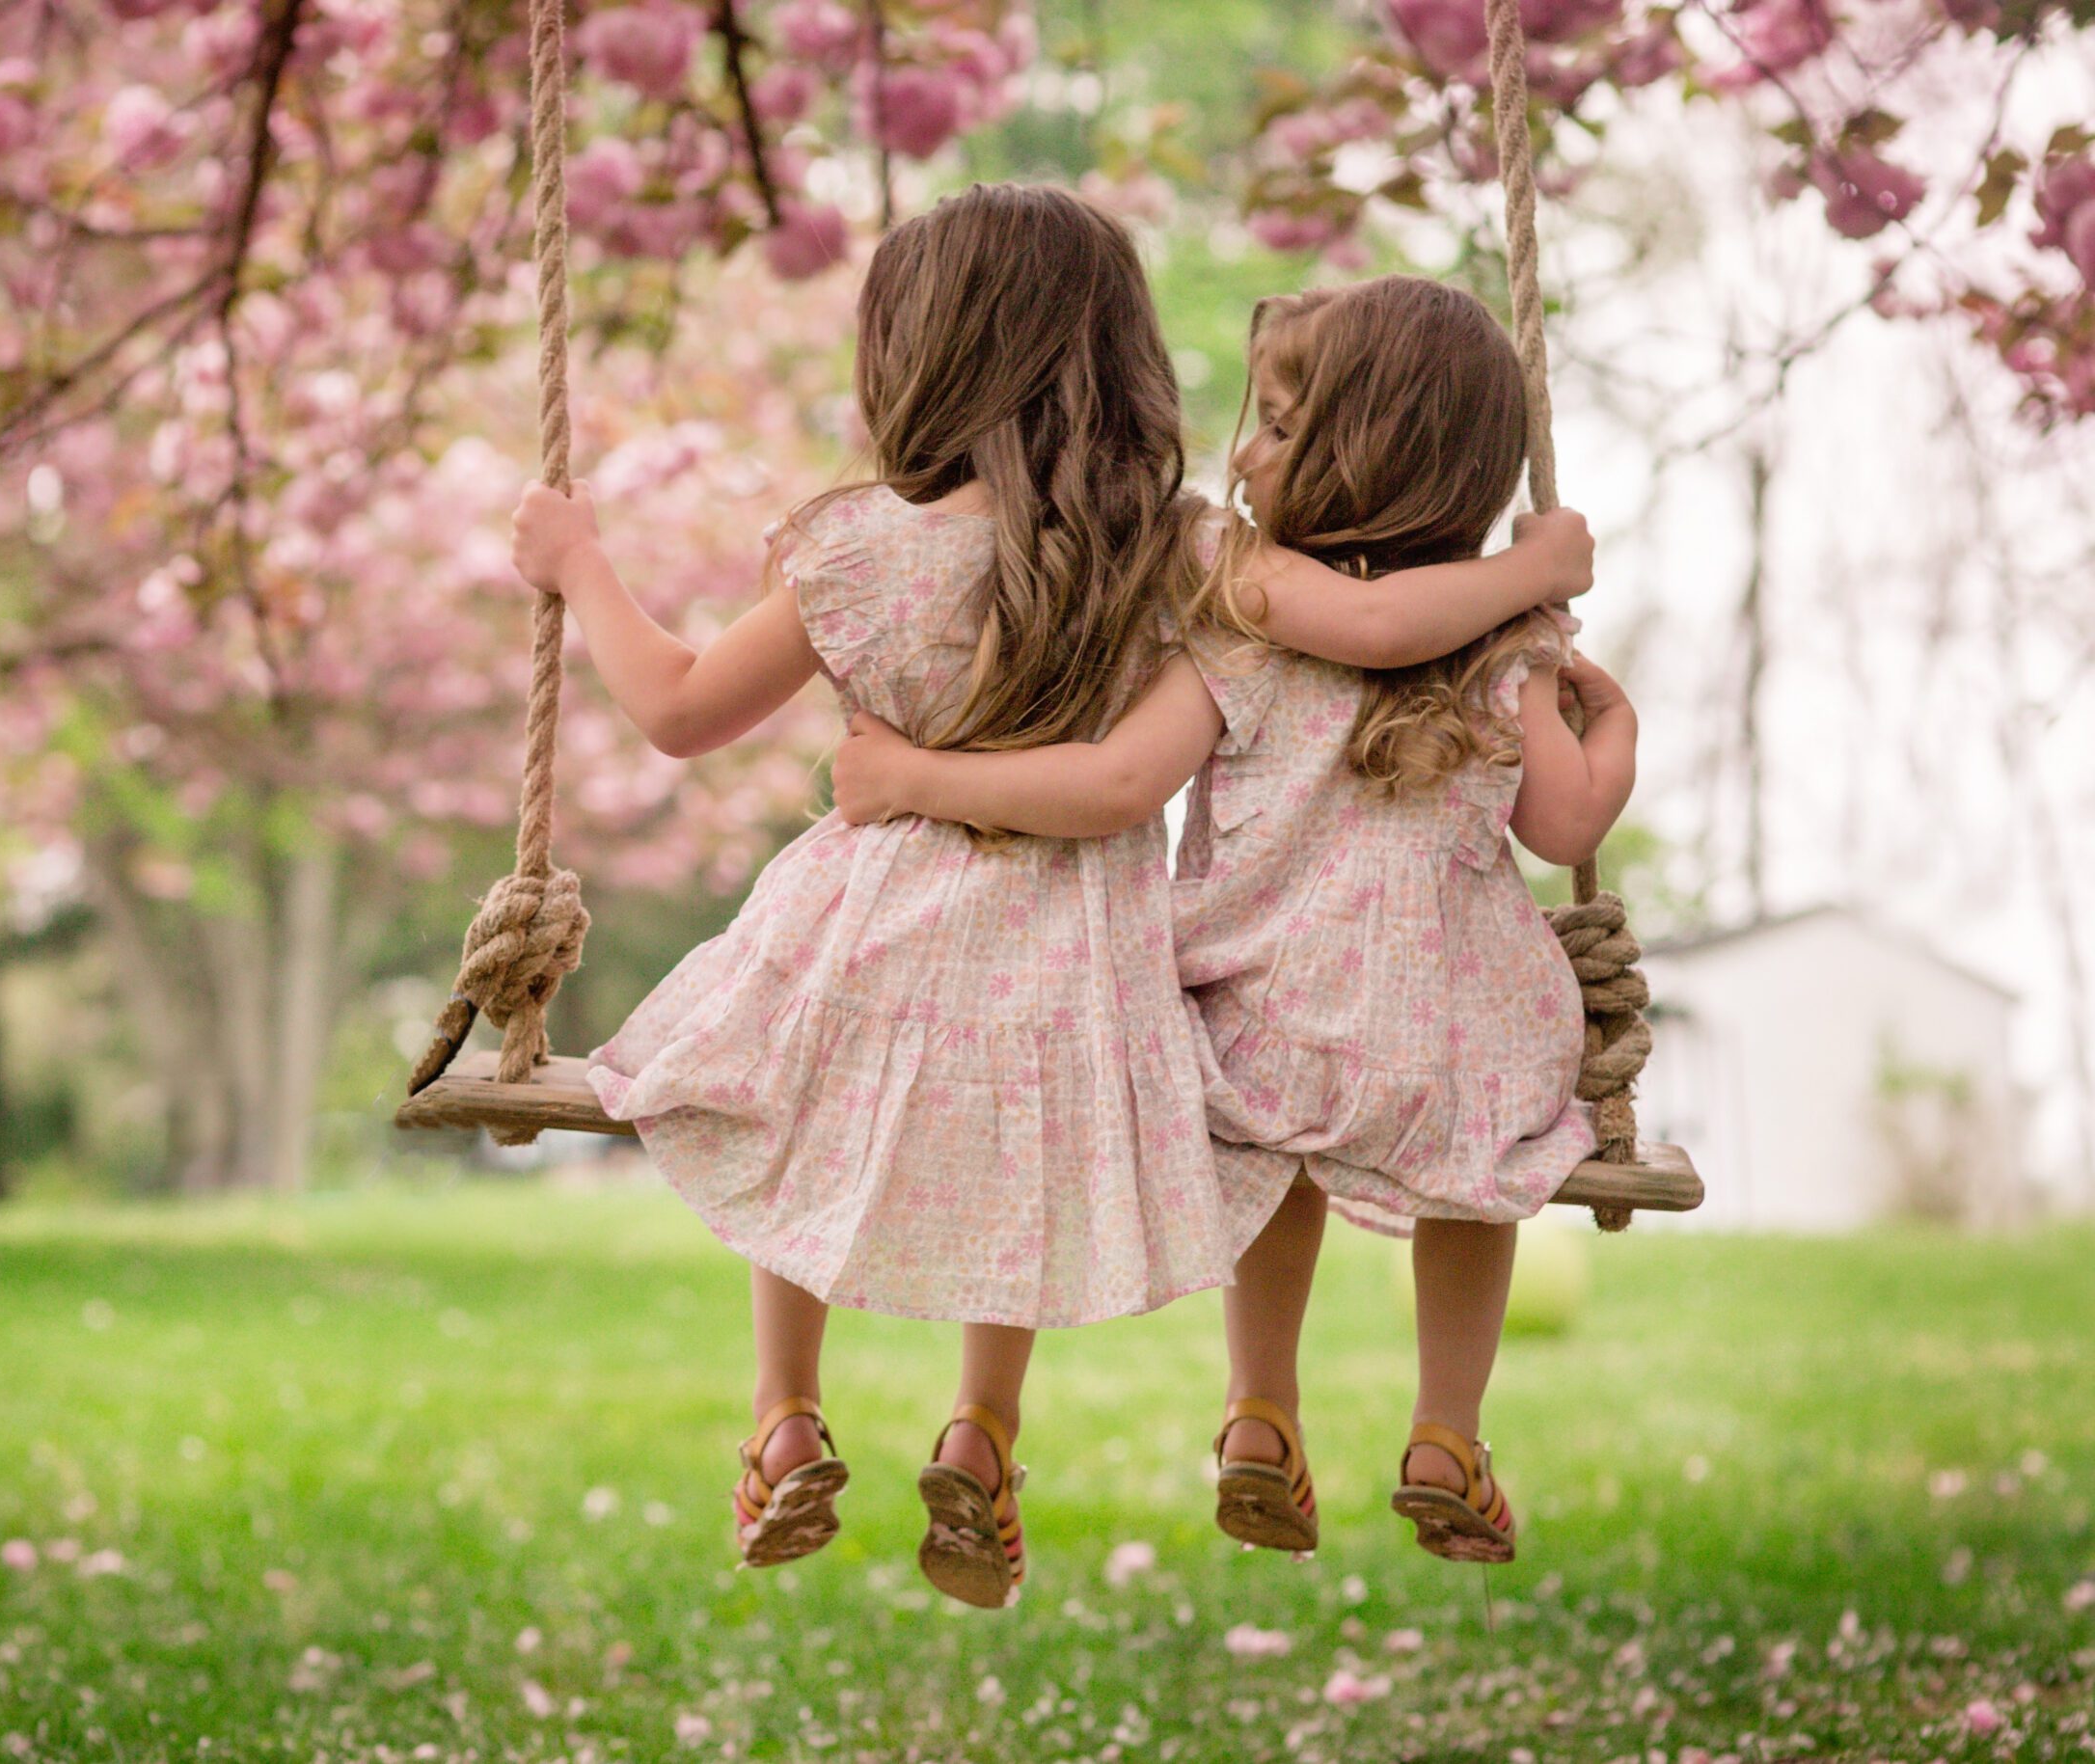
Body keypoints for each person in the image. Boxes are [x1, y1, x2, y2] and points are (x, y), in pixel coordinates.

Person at [511, 202, 1593, 1604]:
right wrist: (1534, 576)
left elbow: (672, 708)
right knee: (1010, 1161)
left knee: (791, 1115)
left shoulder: (849, 548)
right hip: (1060, 934)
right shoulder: (1174, 550)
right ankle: (986, 1427)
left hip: (869, 910)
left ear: (916, 358)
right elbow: (1377, 629)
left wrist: (578, 563)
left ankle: (785, 1407)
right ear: (1121, 360)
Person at [829, 276, 1638, 1567]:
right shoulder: (1507, 644)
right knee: (1485, 1174)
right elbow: (1567, 827)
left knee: (1276, 1160)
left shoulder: (1240, 619)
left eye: (1273, 420)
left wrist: (918, 780)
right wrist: (1610, 717)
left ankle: (1261, 1408)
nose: (1243, 451)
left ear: (1364, 444)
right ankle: (1446, 1431)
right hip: (1446, 1043)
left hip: (1249, 1030)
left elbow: (1114, 786)